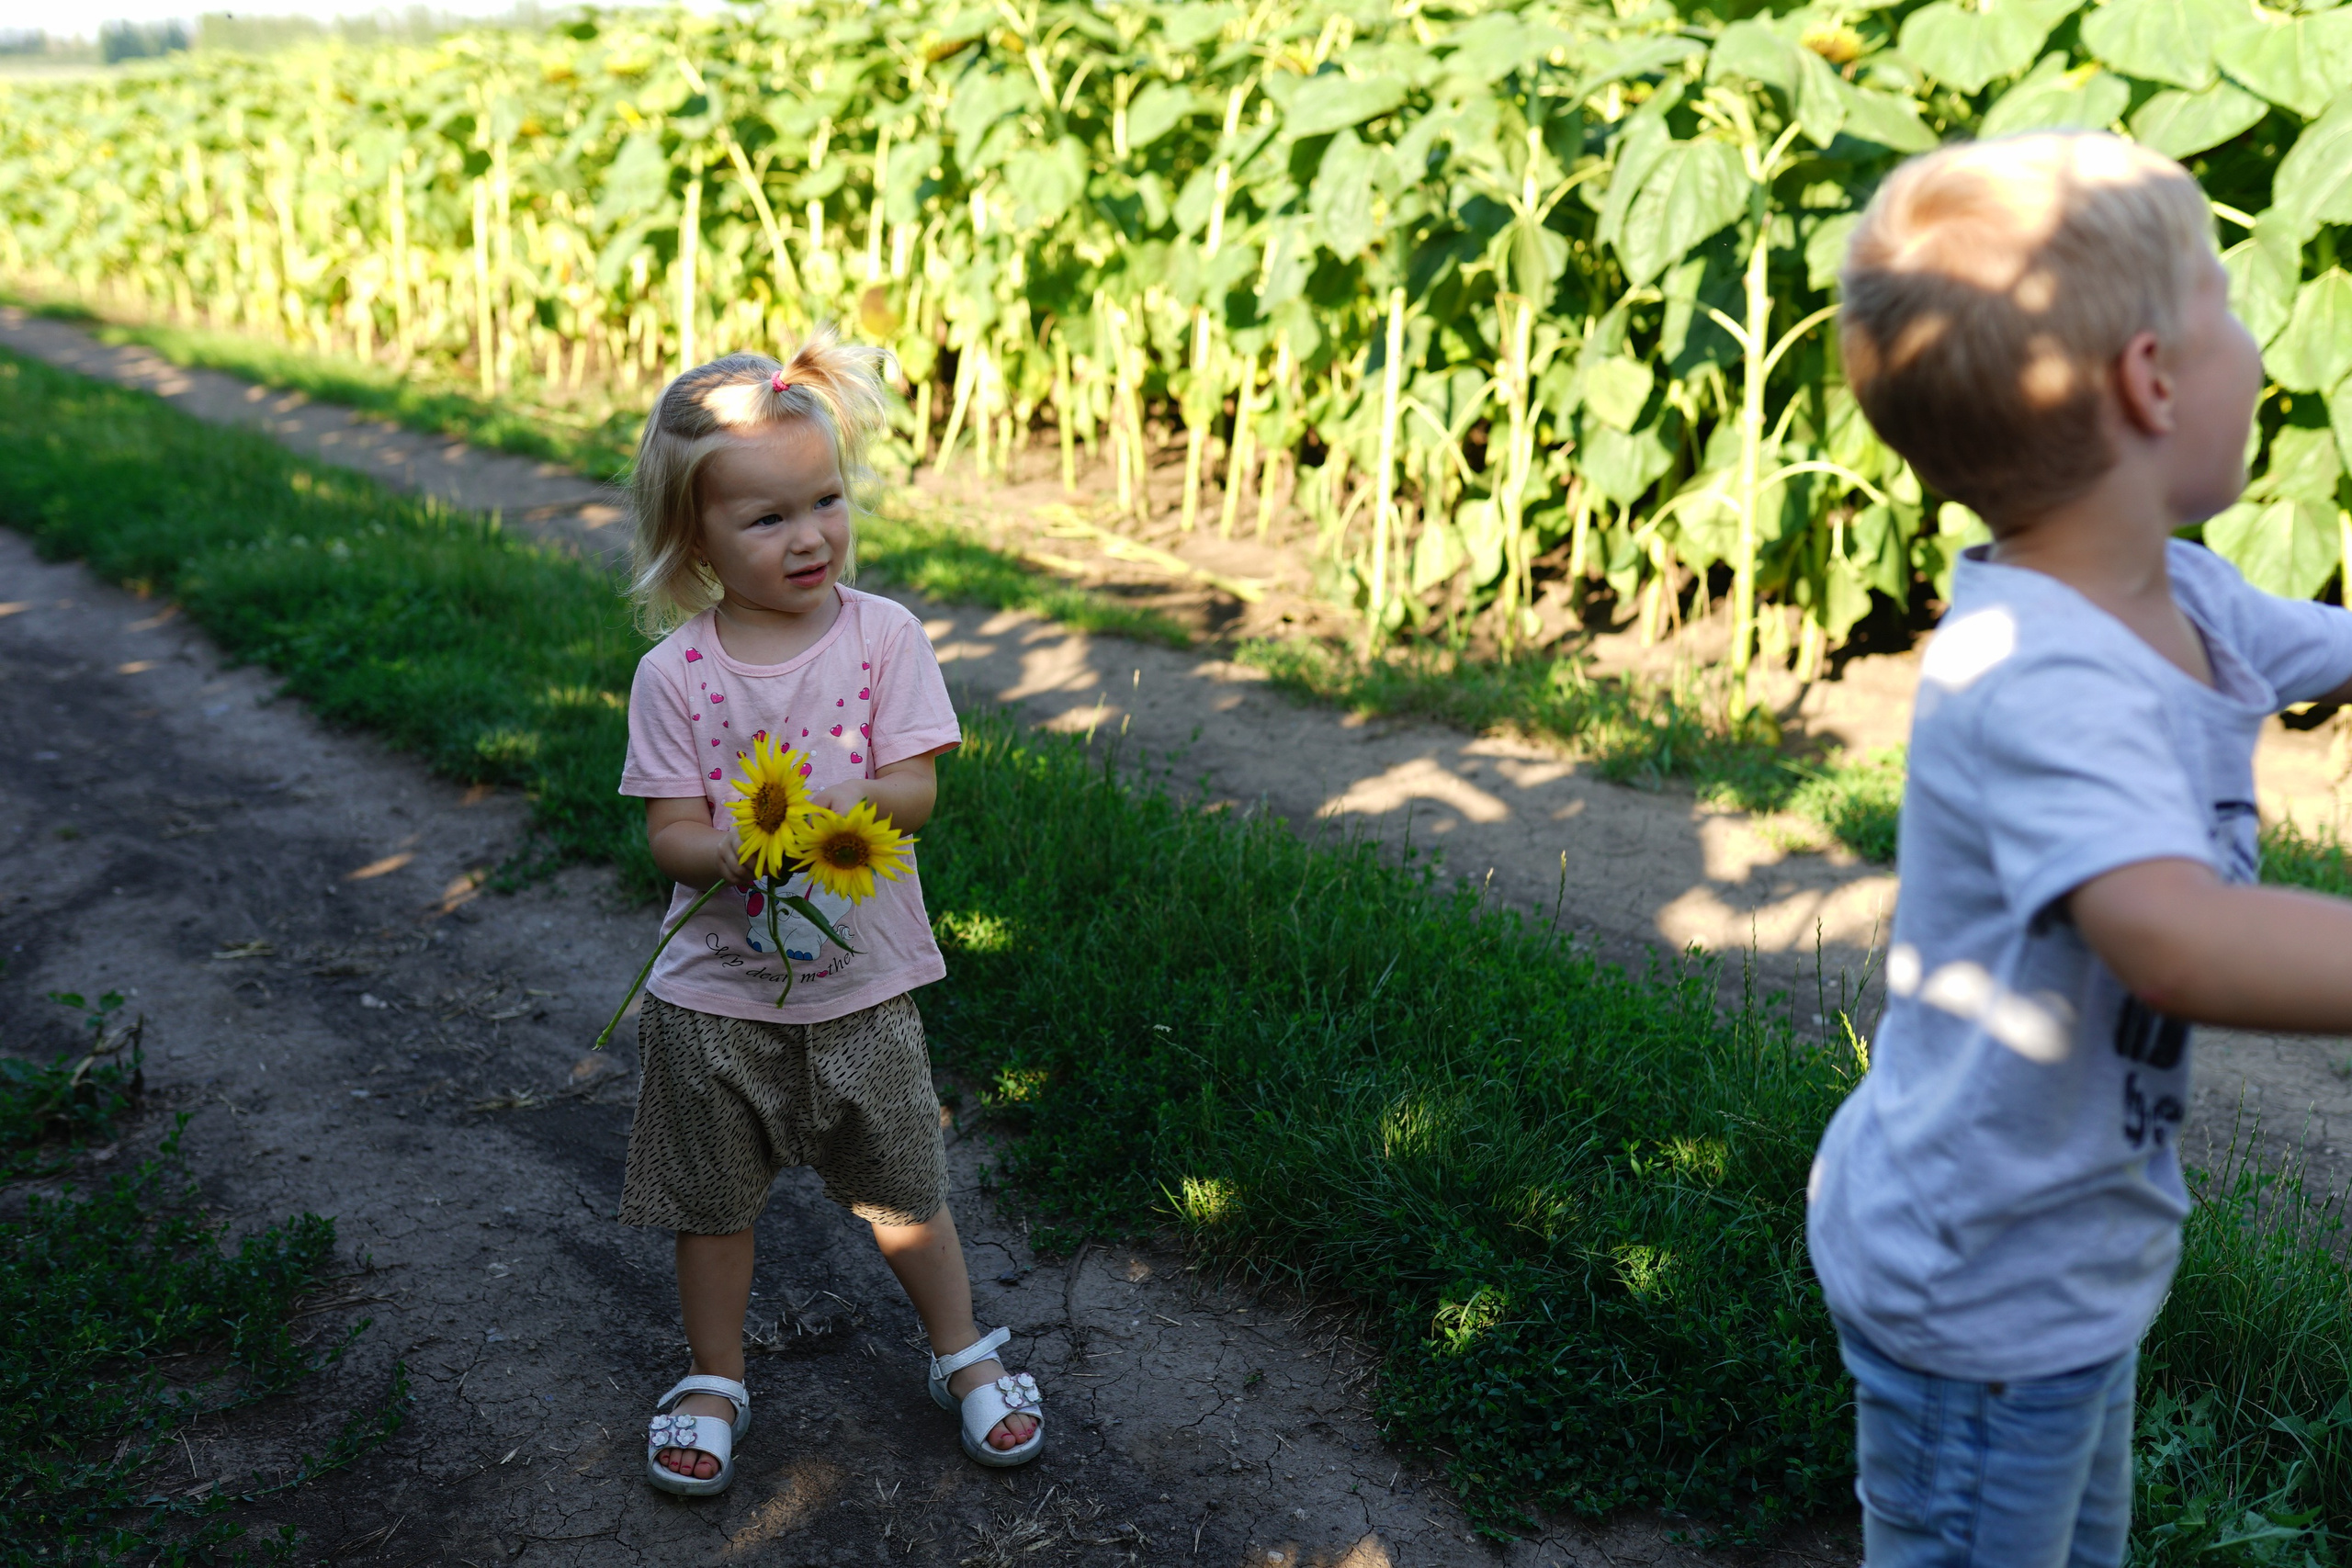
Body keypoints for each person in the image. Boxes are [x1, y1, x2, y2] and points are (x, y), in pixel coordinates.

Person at [1806, 130, 2352, 1566]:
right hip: (1981, 1284)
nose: (2258, 339)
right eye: (2229, 303)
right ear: (2155, 378)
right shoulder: (2037, 676)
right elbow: (2174, 933)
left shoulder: (2179, 593)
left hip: (2067, 1258)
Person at [614, 333, 1042, 1495]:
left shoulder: (883, 637)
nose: (808, 536)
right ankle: (714, 1377)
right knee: (712, 1203)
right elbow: (668, 833)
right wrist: (747, 851)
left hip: (863, 976)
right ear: (691, 538)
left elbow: (917, 789)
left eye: (826, 501)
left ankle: (963, 1351)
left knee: (904, 1186)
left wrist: (840, 806)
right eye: (764, 519)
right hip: (714, 993)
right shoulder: (678, 676)